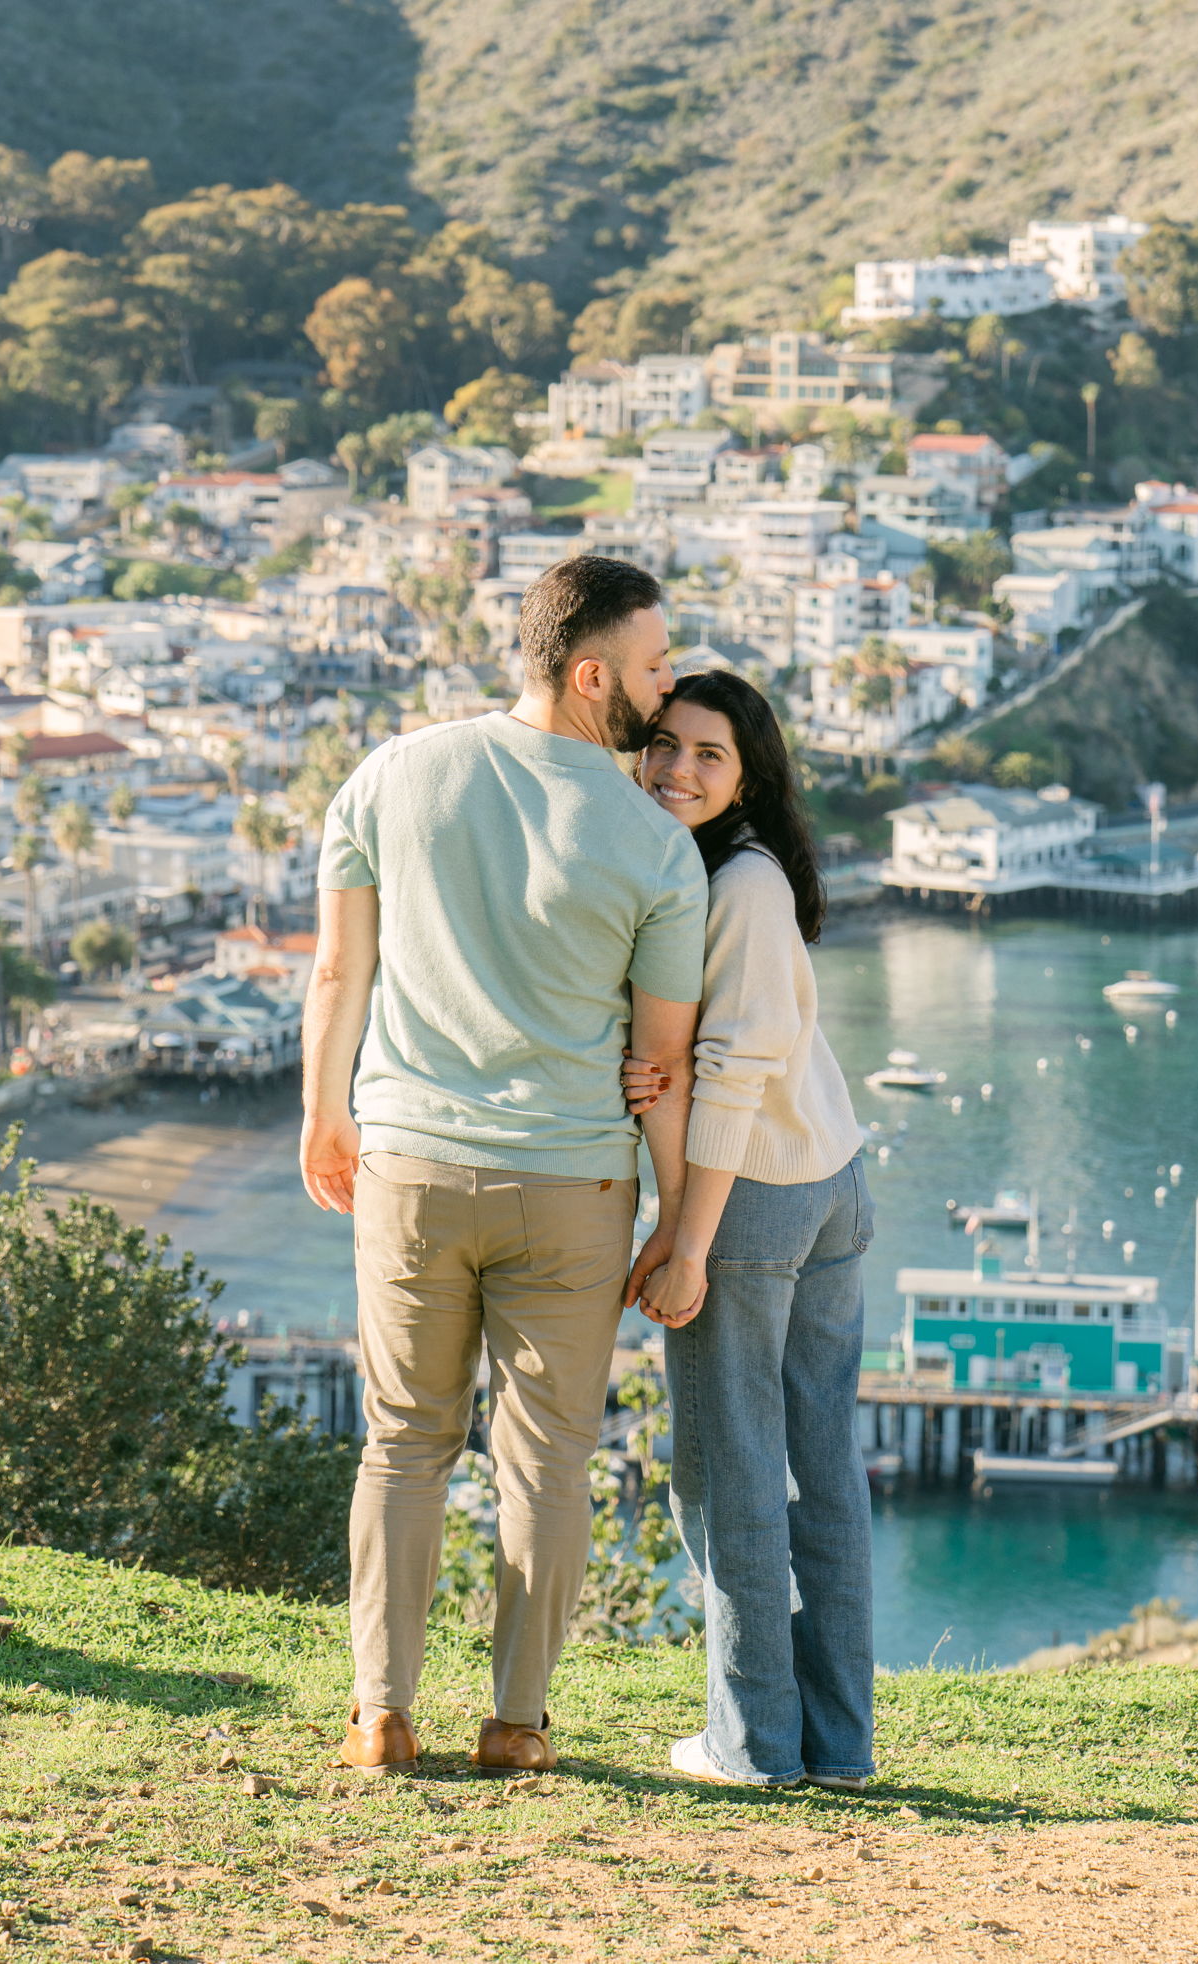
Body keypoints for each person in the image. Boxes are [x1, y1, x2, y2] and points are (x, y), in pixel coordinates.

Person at [300, 556, 708, 1777]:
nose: (667, 683)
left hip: (410, 1167)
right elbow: (662, 1063)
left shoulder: (388, 775)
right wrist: (675, 1217)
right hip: (572, 1186)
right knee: (545, 1458)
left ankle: (379, 1710)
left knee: (404, 1440)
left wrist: (324, 1118)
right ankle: (517, 1723)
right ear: (590, 676)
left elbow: (337, 976)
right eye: (651, 665)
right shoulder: (654, 848)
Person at [624, 670, 875, 1791]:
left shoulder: (739, 886)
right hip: (829, 1180)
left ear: (748, 774)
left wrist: (685, 1236)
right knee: (819, 1472)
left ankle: (756, 1743)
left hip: (754, 1200)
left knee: (726, 1478)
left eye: (707, 754)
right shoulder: (735, 875)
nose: (677, 767)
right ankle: (835, 1745)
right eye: (662, 744)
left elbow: (728, 1078)